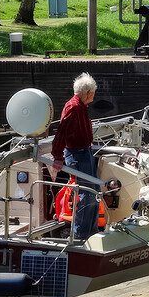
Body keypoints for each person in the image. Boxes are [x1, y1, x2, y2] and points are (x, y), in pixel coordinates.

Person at [51, 72, 99, 240]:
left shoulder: (81, 107)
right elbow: (62, 132)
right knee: (87, 192)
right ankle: (81, 234)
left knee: (94, 191)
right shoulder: (74, 107)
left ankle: (91, 231)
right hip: (77, 154)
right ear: (87, 93)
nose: (93, 97)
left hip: (85, 151)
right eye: (92, 93)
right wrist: (57, 156)